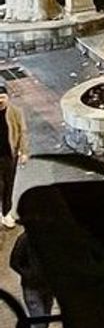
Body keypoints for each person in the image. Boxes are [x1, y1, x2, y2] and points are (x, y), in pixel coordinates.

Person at [0, 84, 28, 226]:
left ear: (8, 98)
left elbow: (23, 133)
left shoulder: (16, 112)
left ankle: (6, 213)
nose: (0, 100)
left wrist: (24, 152)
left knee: (9, 184)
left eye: (3, 97)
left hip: (9, 155)